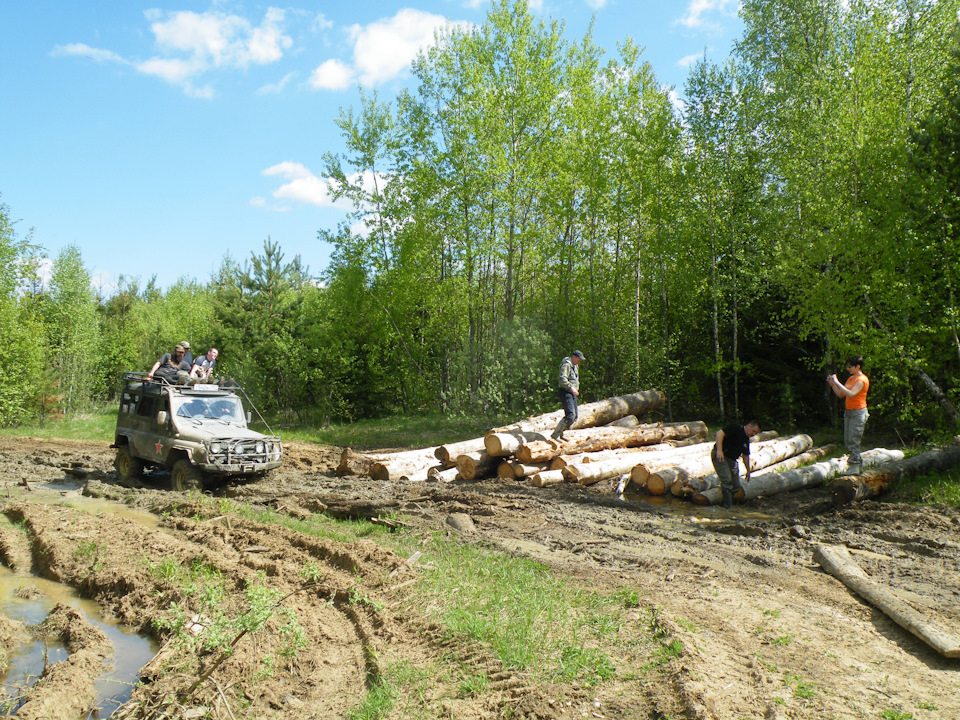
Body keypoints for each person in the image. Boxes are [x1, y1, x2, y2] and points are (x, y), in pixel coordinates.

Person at [828, 355, 869, 475]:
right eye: (847, 366)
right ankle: (858, 466)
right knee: (847, 440)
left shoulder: (862, 380)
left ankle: (854, 466)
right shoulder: (851, 379)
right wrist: (833, 385)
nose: (848, 368)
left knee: (853, 440)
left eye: (850, 366)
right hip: (849, 412)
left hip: (858, 413)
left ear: (858, 366)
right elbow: (841, 394)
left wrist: (837, 381)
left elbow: (851, 394)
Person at [711, 420, 761, 509]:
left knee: (736, 486)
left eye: (755, 433)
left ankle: (726, 500)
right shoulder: (735, 428)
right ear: (749, 425)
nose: (753, 434)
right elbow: (719, 433)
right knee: (727, 480)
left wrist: (748, 470)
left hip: (732, 460)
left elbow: (745, 456)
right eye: (753, 431)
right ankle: (727, 506)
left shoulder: (746, 440)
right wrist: (719, 450)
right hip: (721, 456)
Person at [551, 350, 585, 440]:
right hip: (565, 391)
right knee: (570, 415)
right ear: (574, 357)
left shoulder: (575, 366)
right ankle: (556, 433)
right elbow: (562, 380)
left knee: (575, 416)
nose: (579, 361)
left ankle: (561, 433)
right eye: (579, 359)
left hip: (571, 392)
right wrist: (571, 388)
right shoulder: (566, 365)